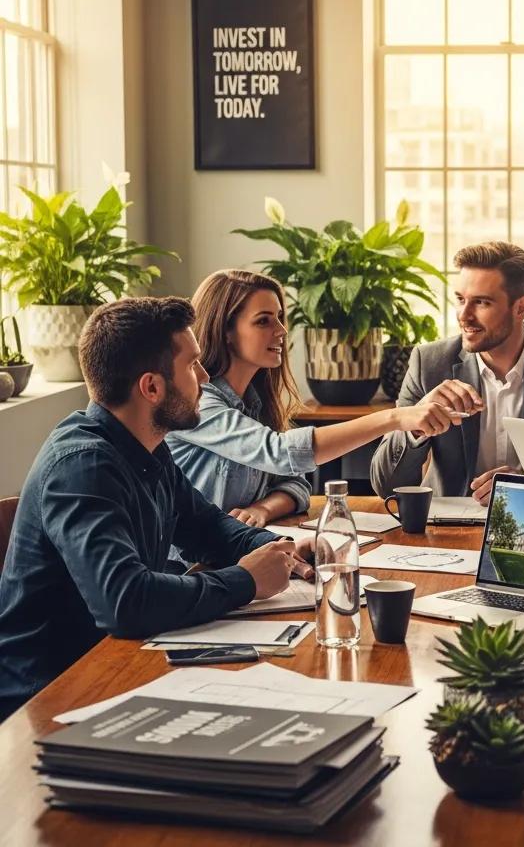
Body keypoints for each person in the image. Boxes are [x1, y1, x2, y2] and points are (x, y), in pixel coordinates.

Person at [0, 297, 318, 720]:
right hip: (51, 697)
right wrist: (245, 580)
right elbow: (125, 602)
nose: (205, 378)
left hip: (118, 666)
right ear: (151, 387)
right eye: (193, 366)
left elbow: (208, 527)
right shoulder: (83, 466)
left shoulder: (145, 445)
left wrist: (282, 549)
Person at [168, 270, 458, 527]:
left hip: (232, 554)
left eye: (280, 318)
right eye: (264, 321)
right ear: (226, 331)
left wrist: (264, 508)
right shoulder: (200, 402)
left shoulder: (254, 405)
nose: (281, 331)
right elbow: (282, 454)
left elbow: (296, 481)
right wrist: (395, 418)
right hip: (186, 568)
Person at [371, 241, 524, 501]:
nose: (464, 315)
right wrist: (415, 424)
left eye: (481, 302)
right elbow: (386, 486)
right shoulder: (429, 363)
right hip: (446, 527)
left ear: (521, 308)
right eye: (460, 299)